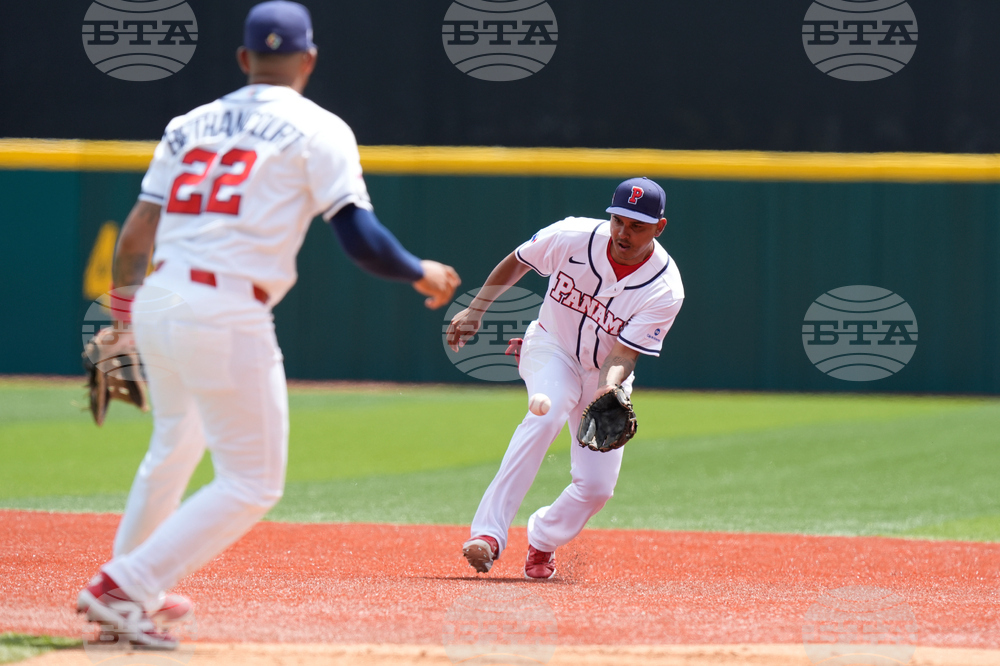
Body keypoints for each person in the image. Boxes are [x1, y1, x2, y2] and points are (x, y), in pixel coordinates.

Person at [76, 0, 460, 648]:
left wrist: (120, 320)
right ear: (309, 59)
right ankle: (122, 587)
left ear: (243, 59)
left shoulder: (188, 123)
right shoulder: (320, 128)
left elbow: (138, 232)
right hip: (224, 309)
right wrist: (419, 269)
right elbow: (361, 239)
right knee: (254, 481)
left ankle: (130, 588)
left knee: (174, 443)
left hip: (161, 298)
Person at [446, 177, 683, 580]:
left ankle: (543, 539)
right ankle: (487, 535)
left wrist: (610, 388)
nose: (624, 232)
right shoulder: (572, 236)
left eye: (637, 226)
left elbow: (625, 353)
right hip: (551, 347)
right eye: (619, 220)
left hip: (607, 372)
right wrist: (477, 309)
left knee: (596, 488)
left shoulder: (664, 288)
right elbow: (519, 259)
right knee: (546, 414)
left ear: (659, 227)